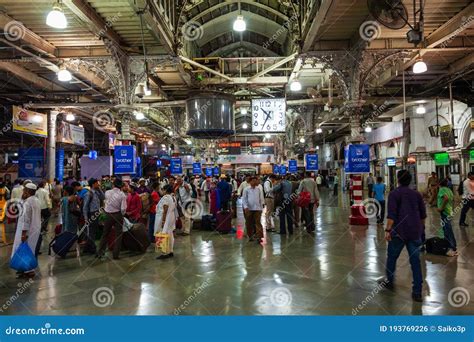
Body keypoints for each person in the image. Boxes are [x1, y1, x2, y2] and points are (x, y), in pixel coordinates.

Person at [381, 170, 426, 302]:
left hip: (398, 233)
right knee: (415, 262)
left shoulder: (394, 194)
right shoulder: (417, 194)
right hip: (414, 232)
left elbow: (392, 215)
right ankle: (417, 292)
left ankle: (389, 281)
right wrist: (421, 231)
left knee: (392, 257)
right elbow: (423, 216)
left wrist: (388, 230)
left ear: (398, 179)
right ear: (410, 180)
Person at [11, 183, 41, 278]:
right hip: (35, 229)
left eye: (24, 190)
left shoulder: (27, 203)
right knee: (30, 249)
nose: (23, 192)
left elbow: (26, 219)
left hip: (26, 231)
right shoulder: (36, 200)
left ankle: (27, 270)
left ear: (27, 191)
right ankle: (27, 269)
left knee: (24, 250)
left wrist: (23, 233)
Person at [97, 179, 127, 260]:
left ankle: (100, 252)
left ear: (113, 185)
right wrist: (121, 215)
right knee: (118, 236)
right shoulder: (122, 195)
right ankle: (115, 255)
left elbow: (105, 201)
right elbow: (123, 209)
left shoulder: (107, 192)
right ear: (121, 186)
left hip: (108, 215)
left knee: (105, 234)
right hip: (118, 215)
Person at [154, 184, 177, 260]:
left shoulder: (166, 197)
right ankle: (170, 251)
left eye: (163, 189)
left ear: (166, 190)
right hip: (171, 216)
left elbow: (165, 209)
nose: (162, 191)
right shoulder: (173, 197)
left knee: (164, 233)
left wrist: (163, 220)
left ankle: (164, 252)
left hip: (166, 217)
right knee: (170, 234)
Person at [82, 178, 104, 254]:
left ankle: (87, 248)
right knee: (92, 232)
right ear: (93, 184)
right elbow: (85, 207)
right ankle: (92, 248)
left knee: (93, 231)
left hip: (96, 212)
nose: (98, 184)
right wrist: (85, 218)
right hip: (91, 214)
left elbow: (103, 197)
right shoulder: (88, 194)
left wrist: (100, 189)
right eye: (97, 183)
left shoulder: (97, 192)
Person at [437, 178, 458, 257]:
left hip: (445, 212)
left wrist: (441, 208)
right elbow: (452, 200)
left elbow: (445, 198)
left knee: (448, 230)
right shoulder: (449, 190)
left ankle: (453, 248)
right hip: (449, 211)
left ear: (439, 184)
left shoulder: (442, 189)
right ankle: (447, 246)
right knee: (445, 230)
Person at [242, 176, 265, 243]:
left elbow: (260, 198)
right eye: (253, 181)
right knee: (249, 223)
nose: (255, 182)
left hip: (257, 208)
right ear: (250, 182)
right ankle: (250, 236)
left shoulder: (258, 189)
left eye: (255, 180)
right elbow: (244, 199)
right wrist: (245, 207)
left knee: (258, 223)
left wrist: (261, 206)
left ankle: (259, 237)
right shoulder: (246, 189)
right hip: (249, 209)